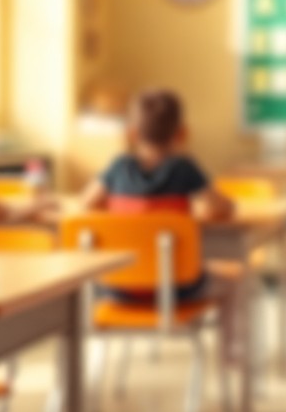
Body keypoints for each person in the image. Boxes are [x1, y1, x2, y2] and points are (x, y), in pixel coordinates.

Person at [78, 89, 236, 299]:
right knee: (233, 282)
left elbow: (86, 203)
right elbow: (222, 208)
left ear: (131, 134)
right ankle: (237, 334)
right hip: (177, 287)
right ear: (182, 133)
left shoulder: (118, 167)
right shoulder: (184, 168)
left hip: (119, 287)